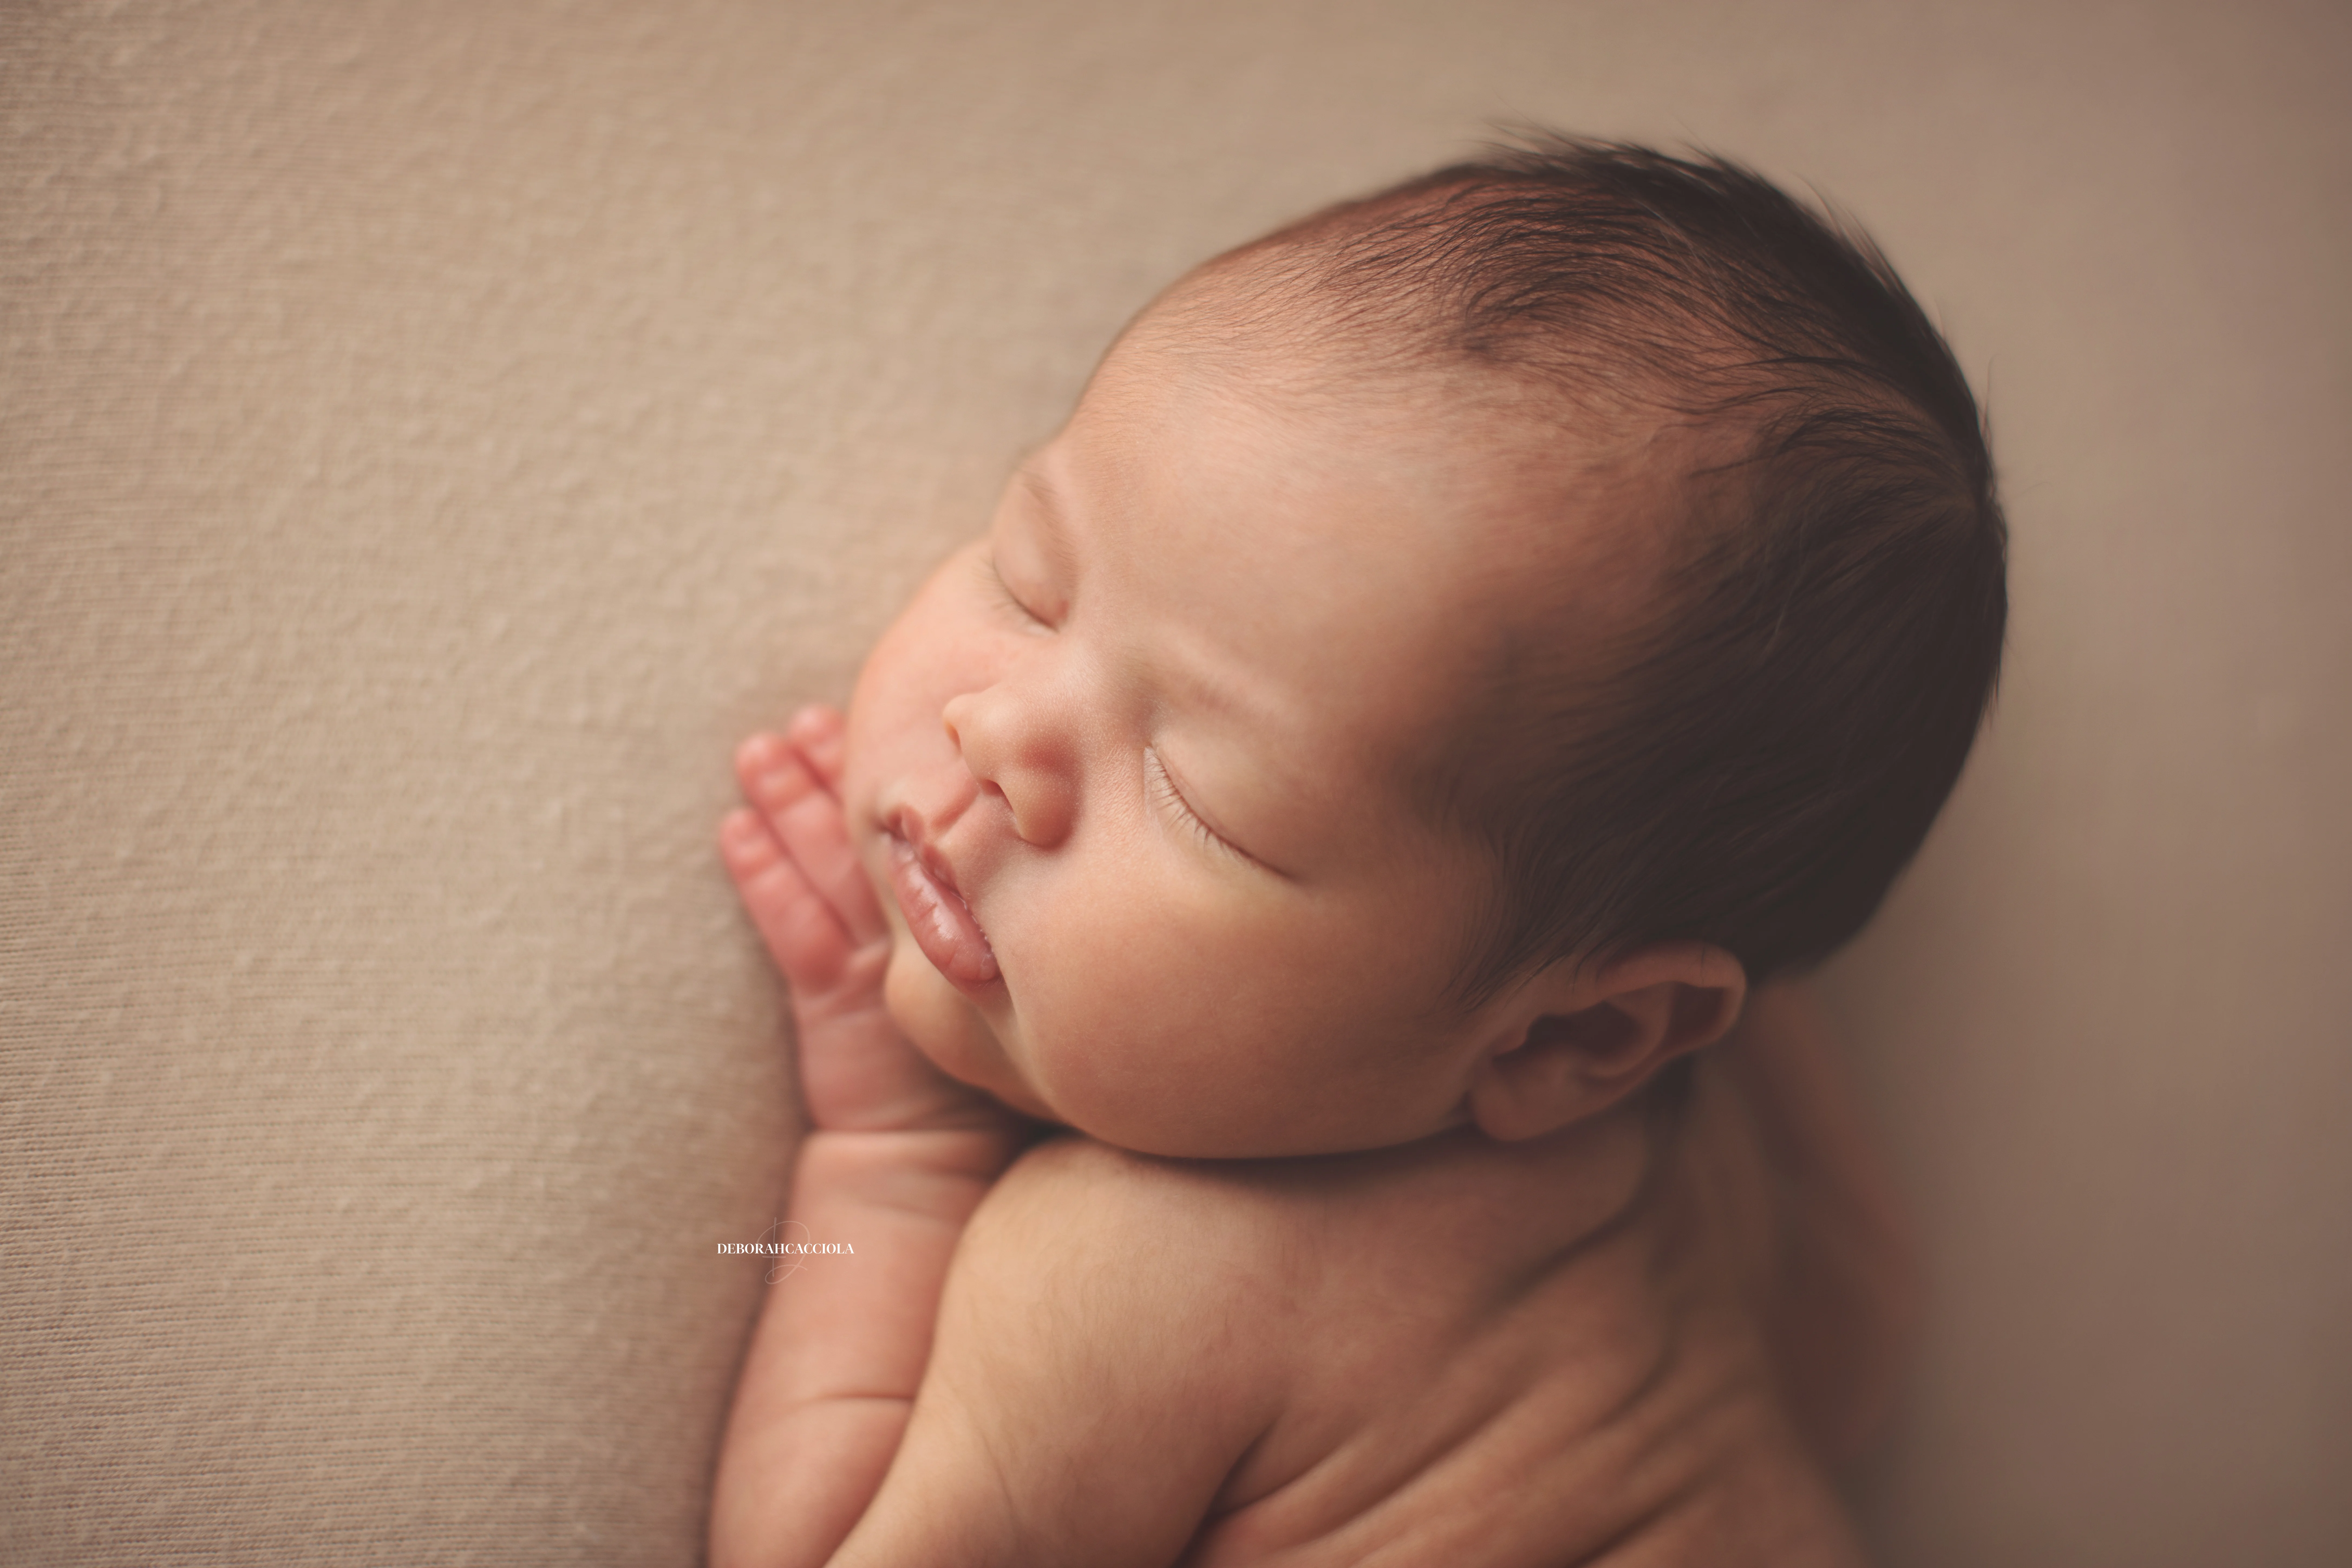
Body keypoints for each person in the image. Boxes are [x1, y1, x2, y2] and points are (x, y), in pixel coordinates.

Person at [709, 135, 2002, 1567]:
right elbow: (1861, 1339)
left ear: (1568, 1042)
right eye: (1029, 579)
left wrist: (888, 1156)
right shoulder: (1683, 1172)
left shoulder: (1133, 1279)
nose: (999, 742)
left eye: (1202, 796)